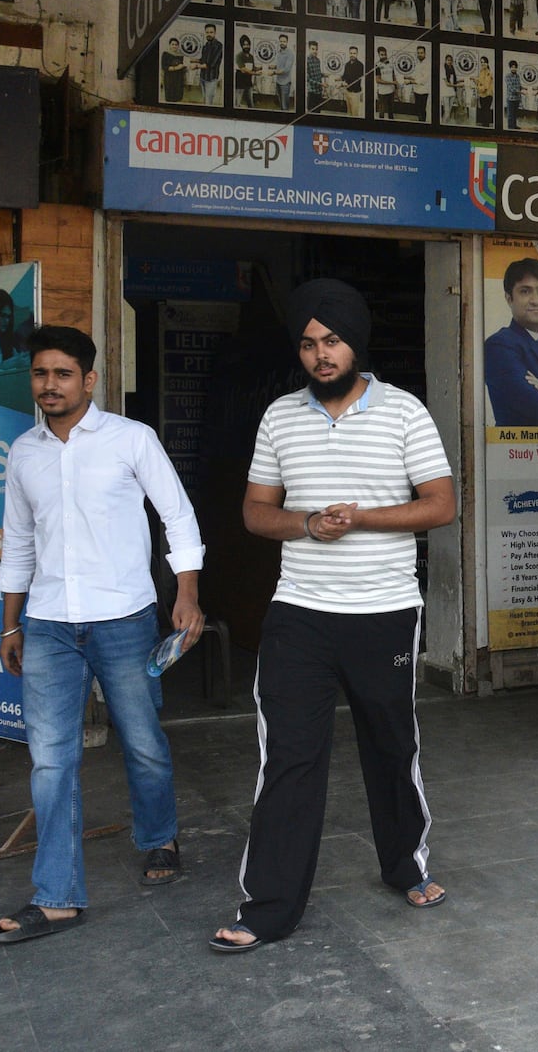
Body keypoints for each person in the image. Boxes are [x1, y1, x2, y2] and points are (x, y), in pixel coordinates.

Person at [210, 280, 456, 953]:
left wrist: (361, 518)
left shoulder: (404, 412)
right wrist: (304, 523)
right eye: (310, 344)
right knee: (287, 757)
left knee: (390, 745)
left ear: (356, 344)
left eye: (333, 341)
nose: (321, 356)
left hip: (383, 612)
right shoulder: (280, 417)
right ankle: (268, 907)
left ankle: (405, 863)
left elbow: (441, 503)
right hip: (300, 613)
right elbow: (255, 512)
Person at [0, 325, 206, 945]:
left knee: (141, 741)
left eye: (62, 374)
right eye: (40, 374)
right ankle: (57, 896)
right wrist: (11, 622)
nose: (49, 385)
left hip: (125, 619)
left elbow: (179, 516)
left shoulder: (131, 440)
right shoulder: (25, 453)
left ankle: (159, 838)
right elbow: (18, 542)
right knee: (51, 761)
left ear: (88, 380)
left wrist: (185, 595)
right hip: (49, 624)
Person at [484, 258, 538, 426]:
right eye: (525, 291)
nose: (536, 300)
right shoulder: (499, 346)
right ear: (509, 299)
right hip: (520, 450)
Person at [197, 23, 225, 106]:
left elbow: (211, 64)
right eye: (207, 32)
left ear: (215, 33)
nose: (209, 34)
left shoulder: (218, 45)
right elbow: (203, 60)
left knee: (208, 102)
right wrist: (192, 60)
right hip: (203, 77)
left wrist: (196, 66)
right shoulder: (205, 46)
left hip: (211, 79)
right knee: (205, 99)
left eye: (211, 32)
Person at [406, 45, 431, 120]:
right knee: (418, 109)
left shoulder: (427, 64)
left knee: (422, 110)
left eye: (421, 53)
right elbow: (415, 76)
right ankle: (420, 122)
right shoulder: (418, 63)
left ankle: (423, 124)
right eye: (418, 53)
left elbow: (423, 79)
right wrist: (407, 77)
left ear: (425, 53)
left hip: (423, 91)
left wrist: (410, 82)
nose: (419, 54)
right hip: (416, 90)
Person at [272, 34, 295, 111]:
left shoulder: (290, 54)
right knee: (280, 105)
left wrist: (274, 72)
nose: (282, 43)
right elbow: (280, 66)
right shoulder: (279, 52)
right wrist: (273, 67)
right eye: (281, 41)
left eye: (284, 41)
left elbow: (286, 69)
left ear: (287, 42)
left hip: (285, 84)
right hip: (278, 82)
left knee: (284, 107)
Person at [161, 37, 188, 103]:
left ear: (178, 46)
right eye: (172, 44)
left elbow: (184, 66)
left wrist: (185, 65)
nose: (174, 46)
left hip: (179, 79)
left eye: (176, 44)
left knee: (178, 97)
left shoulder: (181, 55)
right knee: (170, 97)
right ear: (170, 45)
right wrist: (176, 68)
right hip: (169, 78)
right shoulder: (165, 54)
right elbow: (164, 67)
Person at [343, 45, 365, 117]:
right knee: (349, 113)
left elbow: (356, 78)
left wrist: (343, 84)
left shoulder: (360, 65)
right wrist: (338, 79)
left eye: (354, 53)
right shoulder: (347, 64)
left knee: (354, 115)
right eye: (351, 53)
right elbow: (344, 76)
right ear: (349, 53)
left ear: (357, 54)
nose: (352, 55)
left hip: (355, 93)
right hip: (347, 91)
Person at [374, 47, 396, 119]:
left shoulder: (391, 64)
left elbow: (393, 76)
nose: (384, 56)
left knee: (391, 112)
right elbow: (378, 80)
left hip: (391, 92)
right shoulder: (377, 65)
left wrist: (395, 87)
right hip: (382, 93)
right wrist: (391, 82)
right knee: (382, 113)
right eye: (382, 54)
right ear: (379, 55)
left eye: (385, 54)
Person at [474, 56, 494, 127]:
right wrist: (474, 80)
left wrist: (476, 87)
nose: (483, 64)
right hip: (482, 95)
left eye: (484, 62)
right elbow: (480, 82)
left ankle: (486, 127)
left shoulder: (489, 73)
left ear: (487, 63)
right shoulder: (481, 72)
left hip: (487, 95)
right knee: (483, 111)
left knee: (486, 112)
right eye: (481, 62)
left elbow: (485, 87)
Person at [304, 40, 324, 112]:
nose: (315, 51)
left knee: (318, 111)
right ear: (309, 49)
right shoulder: (306, 60)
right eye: (313, 49)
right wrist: (321, 84)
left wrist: (324, 75)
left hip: (319, 92)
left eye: (316, 49)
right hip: (312, 92)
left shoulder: (318, 60)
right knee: (311, 113)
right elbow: (308, 78)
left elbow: (318, 74)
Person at [503, 59, 522, 130]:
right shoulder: (507, 76)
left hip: (517, 99)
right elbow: (511, 88)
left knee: (515, 114)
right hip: (510, 99)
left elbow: (519, 86)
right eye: (512, 67)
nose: (514, 68)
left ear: (516, 68)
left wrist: (525, 88)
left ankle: (514, 126)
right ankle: (510, 128)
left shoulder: (518, 76)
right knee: (510, 115)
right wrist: (521, 92)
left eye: (515, 67)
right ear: (510, 68)